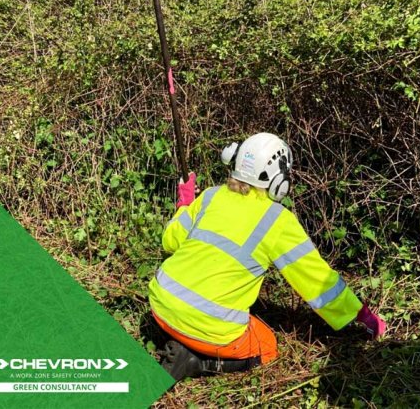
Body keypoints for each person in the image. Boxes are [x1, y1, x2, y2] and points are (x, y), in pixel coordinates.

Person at [149, 132, 386, 381]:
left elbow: (170, 240)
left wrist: (185, 203)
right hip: (209, 328)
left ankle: (182, 343)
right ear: (278, 180)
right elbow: (317, 280)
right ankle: (195, 362)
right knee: (268, 347)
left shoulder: (209, 195)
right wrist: (361, 315)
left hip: (159, 305)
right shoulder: (278, 220)